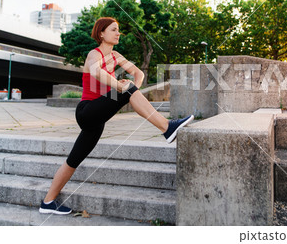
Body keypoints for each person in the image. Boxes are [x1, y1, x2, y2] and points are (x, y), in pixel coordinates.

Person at [39, 17, 193, 214]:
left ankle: (48, 202)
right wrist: (120, 86)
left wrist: (131, 89)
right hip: (87, 111)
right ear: (101, 34)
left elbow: (138, 74)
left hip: (97, 121)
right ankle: (166, 127)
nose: (118, 33)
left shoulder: (117, 56)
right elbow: (96, 73)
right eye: (113, 30)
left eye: (118, 30)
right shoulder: (93, 55)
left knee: (73, 160)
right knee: (126, 88)